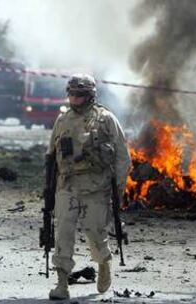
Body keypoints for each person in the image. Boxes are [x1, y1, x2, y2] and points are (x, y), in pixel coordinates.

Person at [46, 73, 131, 300]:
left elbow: (123, 158)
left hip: (96, 188)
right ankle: (62, 283)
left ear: (90, 95)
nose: (74, 99)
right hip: (67, 186)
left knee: (95, 233)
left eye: (79, 95)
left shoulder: (106, 119)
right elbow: (51, 156)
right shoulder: (62, 120)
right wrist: (48, 190)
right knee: (63, 233)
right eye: (72, 94)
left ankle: (103, 261)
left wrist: (118, 191)